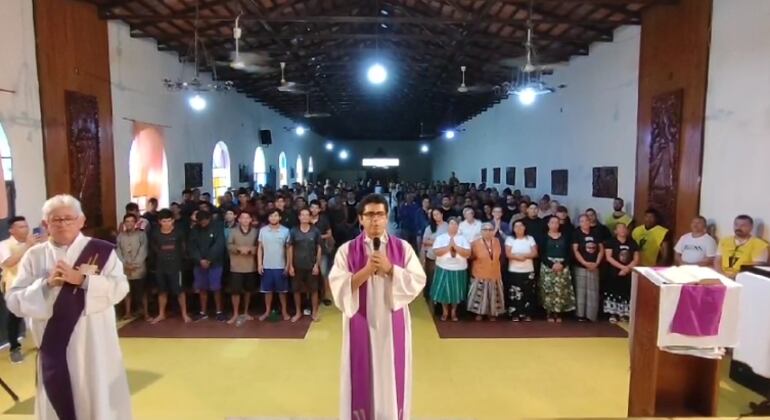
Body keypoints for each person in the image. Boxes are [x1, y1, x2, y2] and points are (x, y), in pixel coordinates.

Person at [7, 194, 131, 419]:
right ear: (45, 224)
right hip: (54, 345)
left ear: (81, 221)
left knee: (97, 397)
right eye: (56, 219)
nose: (63, 224)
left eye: (69, 218)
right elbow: (14, 300)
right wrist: (45, 285)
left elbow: (120, 288)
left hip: (95, 343)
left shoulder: (101, 251)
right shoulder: (34, 256)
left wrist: (83, 280)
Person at [328, 193, 426, 420]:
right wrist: (365, 272)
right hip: (360, 322)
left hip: (393, 323)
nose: (375, 220)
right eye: (370, 214)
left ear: (387, 217)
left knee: (392, 374)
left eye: (380, 214)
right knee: (361, 374)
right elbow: (337, 287)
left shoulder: (403, 248)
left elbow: (418, 280)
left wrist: (390, 269)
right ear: (360, 218)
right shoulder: (346, 251)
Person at [0, 216, 45, 363]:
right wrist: (27, 246)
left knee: (40, 315)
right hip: (14, 286)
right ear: (11, 230)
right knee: (14, 318)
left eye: (26, 226)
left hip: (34, 284)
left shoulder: (35, 242)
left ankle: (42, 343)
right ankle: (15, 349)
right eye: (20, 227)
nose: (25, 229)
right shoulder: (4, 245)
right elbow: (8, 262)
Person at [151, 209, 190, 323]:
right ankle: (161, 314)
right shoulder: (155, 234)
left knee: (180, 291)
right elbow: (154, 249)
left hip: (176, 267)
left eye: (169, 221)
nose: (167, 223)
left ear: (173, 220)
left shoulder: (179, 233)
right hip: (161, 266)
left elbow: (183, 249)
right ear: (159, 222)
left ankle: (184, 314)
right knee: (162, 291)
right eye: (164, 221)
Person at [188, 210, 227, 322]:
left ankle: (219, 312)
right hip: (199, 264)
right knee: (202, 288)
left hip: (215, 263)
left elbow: (219, 245)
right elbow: (192, 247)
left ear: (209, 219)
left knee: (216, 287)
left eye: (205, 221)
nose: (203, 223)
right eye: (201, 221)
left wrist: (209, 259)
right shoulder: (194, 230)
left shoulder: (217, 228)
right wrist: (200, 260)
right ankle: (203, 312)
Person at [431, 217, 471, 321]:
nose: (453, 226)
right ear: (448, 225)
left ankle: (453, 312)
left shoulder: (463, 239)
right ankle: (445, 311)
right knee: (444, 291)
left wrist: (456, 247)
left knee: (456, 291)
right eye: (451, 223)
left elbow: (467, 253)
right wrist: (449, 246)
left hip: (459, 268)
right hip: (444, 267)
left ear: (458, 226)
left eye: (455, 224)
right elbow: (436, 252)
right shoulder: (441, 238)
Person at [288, 208, 323, 322]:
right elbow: (290, 248)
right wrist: (290, 265)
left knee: (314, 290)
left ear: (310, 217)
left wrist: (317, 264)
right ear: (299, 217)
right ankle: (298, 312)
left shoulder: (315, 231)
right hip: (297, 265)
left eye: (307, 215)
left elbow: (319, 248)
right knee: (296, 290)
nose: (304, 217)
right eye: (302, 215)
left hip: (311, 265)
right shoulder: (293, 231)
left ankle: (314, 312)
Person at [539, 216, 576, 323]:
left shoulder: (565, 237)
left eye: (556, 222)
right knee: (548, 289)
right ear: (548, 224)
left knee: (561, 290)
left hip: (562, 266)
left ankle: (558, 312)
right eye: (552, 222)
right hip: (548, 266)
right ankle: (549, 312)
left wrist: (562, 264)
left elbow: (570, 253)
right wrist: (551, 264)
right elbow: (541, 253)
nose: (554, 224)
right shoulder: (543, 237)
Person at [258, 209, 291, 321]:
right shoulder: (263, 230)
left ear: (280, 218)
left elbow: (288, 249)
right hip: (266, 266)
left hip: (280, 266)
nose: (273, 218)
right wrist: (259, 264)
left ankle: (284, 311)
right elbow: (260, 248)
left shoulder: (286, 231)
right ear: (268, 218)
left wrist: (288, 265)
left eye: (276, 216)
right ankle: (267, 311)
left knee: (282, 291)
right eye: (271, 216)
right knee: (267, 291)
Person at [468, 223, 505, 321]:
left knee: (493, 295)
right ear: (481, 231)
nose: (488, 232)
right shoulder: (475, 243)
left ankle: (492, 313)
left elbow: (502, 256)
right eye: (485, 230)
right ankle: (479, 313)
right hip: (480, 272)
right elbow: (470, 257)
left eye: (490, 230)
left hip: (495, 272)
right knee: (480, 295)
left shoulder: (497, 241)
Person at [603, 223, 640, 323]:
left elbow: (636, 258)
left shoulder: (632, 242)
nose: (623, 230)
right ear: (615, 231)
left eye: (624, 228)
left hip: (628, 272)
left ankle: (624, 314)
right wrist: (622, 267)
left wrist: (627, 268)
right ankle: (613, 314)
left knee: (626, 293)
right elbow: (608, 257)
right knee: (613, 292)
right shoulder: (611, 242)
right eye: (620, 228)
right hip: (614, 272)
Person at [226, 211, 258, 324]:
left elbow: (259, 246)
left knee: (248, 290)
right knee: (235, 291)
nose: (245, 220)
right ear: (238, 220)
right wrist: (238, 249)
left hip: (250, 266)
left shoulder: (255, 232)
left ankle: (245, 312)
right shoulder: (233, 231)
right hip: (236, 266)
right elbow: (229, 245)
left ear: (250, 220)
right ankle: (235, 313)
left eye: (247, 218)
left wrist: (250, 250)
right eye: (242, 218)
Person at [116, 213, 148, 321]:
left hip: (139, 268)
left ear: (135, 223)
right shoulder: (120, 236)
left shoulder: (141, 235)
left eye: (131, 221)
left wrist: (135, 264)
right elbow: (118, 251)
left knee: (142, 291)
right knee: (126, 291)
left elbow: (143, 250)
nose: (129, 223)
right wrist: (124, 264)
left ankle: (146, 313)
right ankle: (128, 312)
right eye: (127, 221)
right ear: (124, 223)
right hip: (125, 268)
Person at [504, 220, 538, 322]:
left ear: (524, 227)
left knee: (528, 292)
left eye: (521, 226)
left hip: (528, 270)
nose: (519, 228)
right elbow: (508, 254)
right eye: (516, 226)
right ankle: (515, 314)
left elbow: (535, 253)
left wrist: (523, 256)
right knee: (514, 293)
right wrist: (518, 257)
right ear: (513, 229)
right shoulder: (510, 239)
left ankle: (527, 314)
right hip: (514, 270)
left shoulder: (530, 238)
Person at [572, 214, 603, 322]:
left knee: (593, 291)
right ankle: (580, 315)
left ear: (590, 222)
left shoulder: (596, 233)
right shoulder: (576, 234)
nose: (584, 223)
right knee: (581, 290)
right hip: (581, 266)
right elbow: (575, 250)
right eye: (582, 221)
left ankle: (591, 315)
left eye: (586, 220)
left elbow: (601, 250)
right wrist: (584, 263)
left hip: (594, 266)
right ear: (579, 223)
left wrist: (597, 263)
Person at [310, 199, 334, 306]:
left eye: (316, 208)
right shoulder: (306, 219)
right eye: (312, 207)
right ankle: (311, 296)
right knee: (310, 274)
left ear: (319, 209)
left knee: (323, 273)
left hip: (322, 250)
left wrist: (318, 236)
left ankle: (325, 296)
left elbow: (329, 234)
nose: (314, 209)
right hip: (308, 251)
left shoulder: (324, 220)